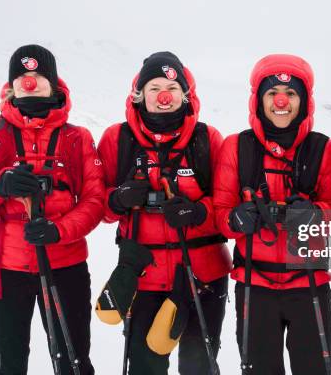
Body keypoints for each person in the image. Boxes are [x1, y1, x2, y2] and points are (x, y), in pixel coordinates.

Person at [0, 44, 104, 374]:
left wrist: (58, 230)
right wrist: (0, 184)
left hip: (65, 266)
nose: (31, 82)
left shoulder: (77, 138)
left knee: (73, 362)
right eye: (23, 76)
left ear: (54, 83)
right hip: (4, 271)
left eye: (39, 76)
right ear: (11, 85)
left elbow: (95, 203)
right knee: (6, 364)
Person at [97, 51, 232, 375]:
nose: (163, 95)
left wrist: (198, 212)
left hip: (204, 277)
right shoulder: (118, 140)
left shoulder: (207, 139)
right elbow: (94, 204)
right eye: (154, 86)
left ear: (186, 95)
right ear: (139, 93)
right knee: (145, 367)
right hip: (143, 278)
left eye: (172, 87)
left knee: (199, 367)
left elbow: (229, 208)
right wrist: (117, 199)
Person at [213, 54, 331, 375]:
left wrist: (313, 215)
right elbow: (221, 217)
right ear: (259, 100)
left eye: (291, 94)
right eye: (272, 93)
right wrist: (237, 219)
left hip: (309, 283)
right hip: (254, 287)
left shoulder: (323, 149)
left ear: (304, 101)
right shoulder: (235, 147)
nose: (281, 101)